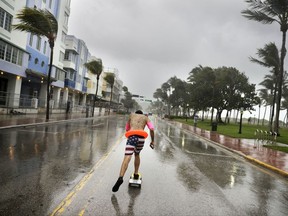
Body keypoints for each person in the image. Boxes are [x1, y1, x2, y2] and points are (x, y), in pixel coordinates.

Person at [112, 110, 155, 192]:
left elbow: (127, 129)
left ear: (135, 113)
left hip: (132, 137)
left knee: (127, 157)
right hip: (141, 139)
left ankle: (120, 177)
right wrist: (152, 141)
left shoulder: (131, 116)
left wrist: (131, 135)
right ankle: (136, 173)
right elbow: (152, 129)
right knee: (137, 154)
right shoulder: (146, 118)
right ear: (142, 114)